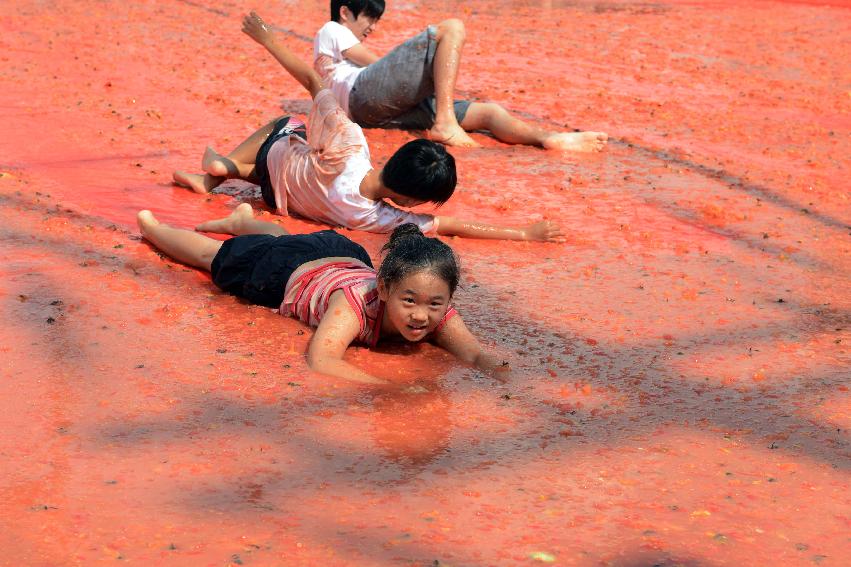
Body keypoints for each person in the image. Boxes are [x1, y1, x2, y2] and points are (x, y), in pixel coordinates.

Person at [173, 12, 563, 243]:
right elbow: (453, 226)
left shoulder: (351, 142)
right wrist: (524, 234)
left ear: (395, 156)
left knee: (288, 125)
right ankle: (231, 170)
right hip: (279, 196)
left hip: (277, 167)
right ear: (410, 202)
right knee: (293, 152)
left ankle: (221, 171)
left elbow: (312, 81)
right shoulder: (378, 218)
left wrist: (268, 40)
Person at [136, 204, 509, 385]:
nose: (420, 316)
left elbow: (476, 354)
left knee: (287, 239)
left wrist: (506, 377)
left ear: (448, 300)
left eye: (434, 304)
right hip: (283, 273)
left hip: (341, 252)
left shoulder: (435, 309)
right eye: (408, 301)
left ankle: (242, 222)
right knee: (212, 256)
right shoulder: (354, 306)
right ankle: (154, 229)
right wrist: (387, 388)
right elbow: (323, 360)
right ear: (383, 288)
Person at [314, 0, 608, 150]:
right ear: (344, 12)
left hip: (376, 110)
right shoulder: (331, 30)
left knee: (488, 113)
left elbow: (388, 73)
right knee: (452, 27)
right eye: (370, 18)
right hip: (361, 96)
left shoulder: (345, 45)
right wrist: (427, 69)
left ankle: (548, 138)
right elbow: (376, 62)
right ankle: (445, 121)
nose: (373, 27)